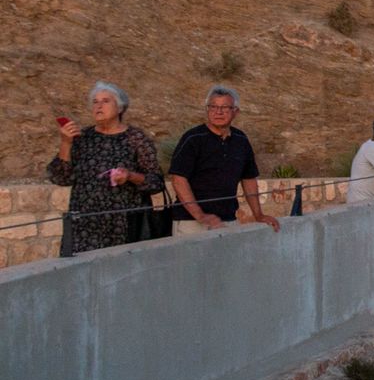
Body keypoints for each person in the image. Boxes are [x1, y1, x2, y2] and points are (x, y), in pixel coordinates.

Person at [46, 82, 165, 256]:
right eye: (95, 102)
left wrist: (130, 176)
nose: (98, 106)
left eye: (105, 101)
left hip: (122, 227)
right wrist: (65, 143)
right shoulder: (83, 138)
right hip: (84, 227)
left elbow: (156, 182)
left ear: (120, 108)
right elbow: (61, 178)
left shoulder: (136, 139)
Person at [168, 86, 279, 234]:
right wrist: (200, 215)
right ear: (207, 109)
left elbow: (249, 179)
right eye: (213, 107)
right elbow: (179, 179)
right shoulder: (193, 139)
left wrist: (258, 214)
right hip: (191, 222)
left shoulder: (241, 140)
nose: (218, 112)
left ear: (235, 111)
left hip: (228, 220)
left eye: (225, 107)